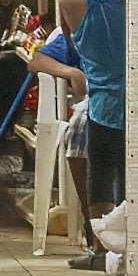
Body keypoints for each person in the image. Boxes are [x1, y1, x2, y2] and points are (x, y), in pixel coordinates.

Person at [58, 0, 126, 271]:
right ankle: (129, 249)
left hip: (101, 104)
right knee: (128, 177)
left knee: (99, 175)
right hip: (137, 102)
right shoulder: (133, 1)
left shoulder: (70, 2)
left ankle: (101, 251)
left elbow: (71, 46)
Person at [26, 16, 89, 228]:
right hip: (96, 100)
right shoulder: (82, 24)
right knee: (80, 127)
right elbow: (37, 61)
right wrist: (72, 73)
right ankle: (92, 221)